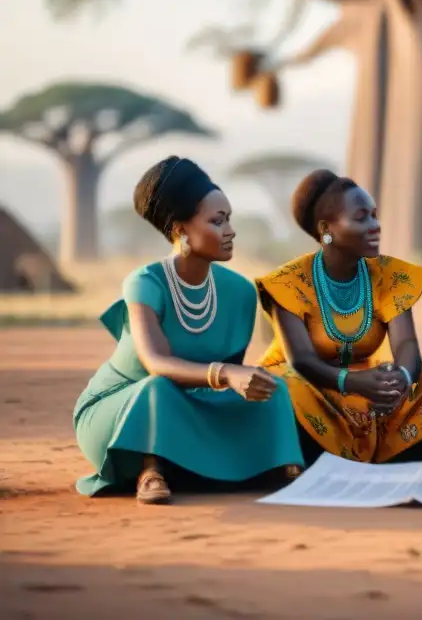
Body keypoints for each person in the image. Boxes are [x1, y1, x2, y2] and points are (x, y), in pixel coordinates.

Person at [73, 157, 303, 504]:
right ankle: (151, 469)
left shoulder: (239, 292)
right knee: (158, 389)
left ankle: (284, 469)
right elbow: (156, 362)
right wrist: (226, 374)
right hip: (124, 408)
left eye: (229, 219)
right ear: (181, 231)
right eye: (217, 221)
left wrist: (245, 382)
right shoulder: (145, 282)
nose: (230, 230)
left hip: (190, 404)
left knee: (276, 390)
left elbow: (223, 390)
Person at [255, 170, 422, 463]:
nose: (375, 226)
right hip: (312, 389)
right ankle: (309, 466)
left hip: (368, 387)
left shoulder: (389, 275)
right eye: (361, 218)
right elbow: (301, 360)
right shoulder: (288, 282)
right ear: (326, 228)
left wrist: (401, 379)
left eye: (374, 215)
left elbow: (406, 344)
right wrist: (352, 383)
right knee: (287, 383)